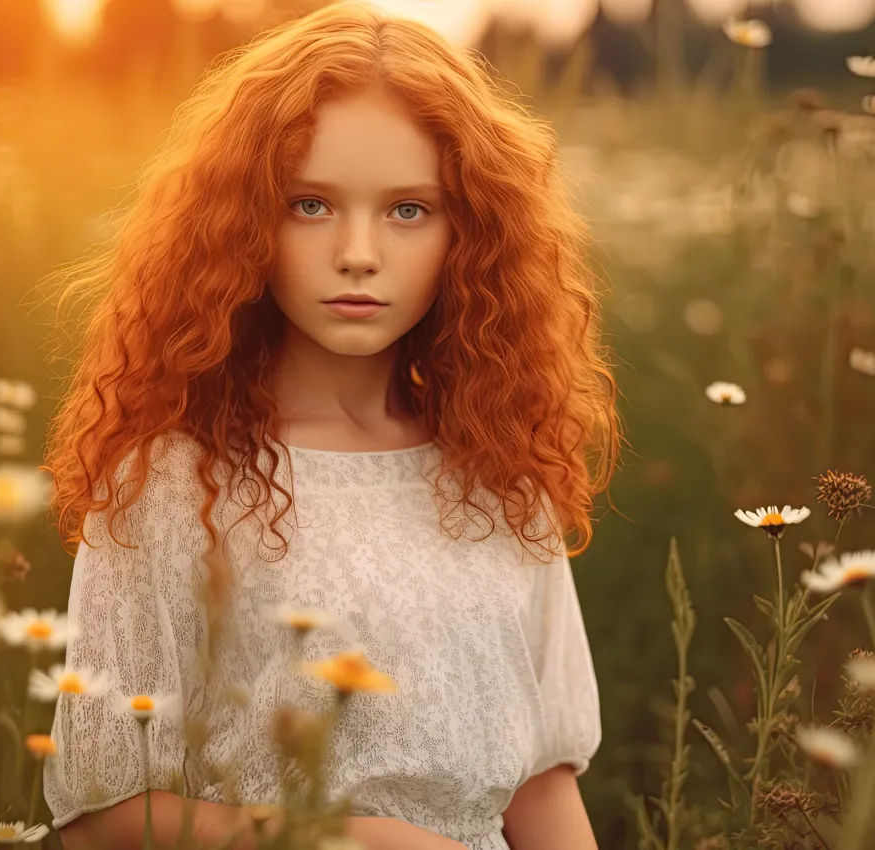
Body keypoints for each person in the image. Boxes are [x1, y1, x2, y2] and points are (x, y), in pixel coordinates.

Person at [40, 3, 620, 849]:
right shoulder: (170, 480)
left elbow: (540, 785)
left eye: (409, 210)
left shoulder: (503, 471)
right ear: (243, 221)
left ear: (471, 234)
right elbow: (101, 816)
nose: (358, 251)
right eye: (310, 204)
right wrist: (341, 839)